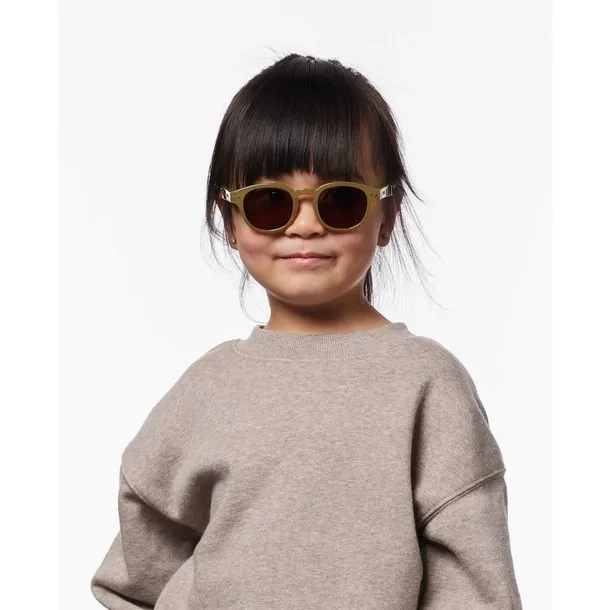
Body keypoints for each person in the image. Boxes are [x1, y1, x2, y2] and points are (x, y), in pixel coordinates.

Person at [90, 53, 523, 609]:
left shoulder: (427, 384)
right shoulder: (207, 387)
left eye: (340, 200)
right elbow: (132, 578)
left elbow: (476, 589)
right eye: (270, 202)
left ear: (386, 216)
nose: (306, 224)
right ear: (230, 220)